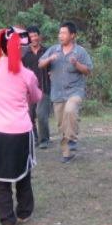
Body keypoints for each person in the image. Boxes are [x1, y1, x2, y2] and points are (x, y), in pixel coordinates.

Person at [0, 27, 42, 225]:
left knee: (0, 178)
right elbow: (36, 98)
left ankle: (7, 220)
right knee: (23, 173)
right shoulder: (28, 75)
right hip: (22, 131)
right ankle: (24, 212)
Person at [38, 21, 93, 163]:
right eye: (59, 33)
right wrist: (49, 59)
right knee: (61, 125)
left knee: (70, 110)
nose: (60, 35)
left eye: (63, 33)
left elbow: (88, 71)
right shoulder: (53, 50)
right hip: (57, 93)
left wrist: (76, 64)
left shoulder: (80, 51)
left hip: (75, 90)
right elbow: (40, 64)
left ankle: (72, 139)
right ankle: (67, 154)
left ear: (72, 35)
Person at [22, 25, 52, 149]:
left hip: (44, 88)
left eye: (35, 35)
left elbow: (53, 68)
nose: (33, 38)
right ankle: (34, 138)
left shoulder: (47, 51)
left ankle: (44, 139)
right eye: (30, 36)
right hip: (28, 90)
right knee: (29, 116)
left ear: (39, 37)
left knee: (41, 114)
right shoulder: (24, 53)